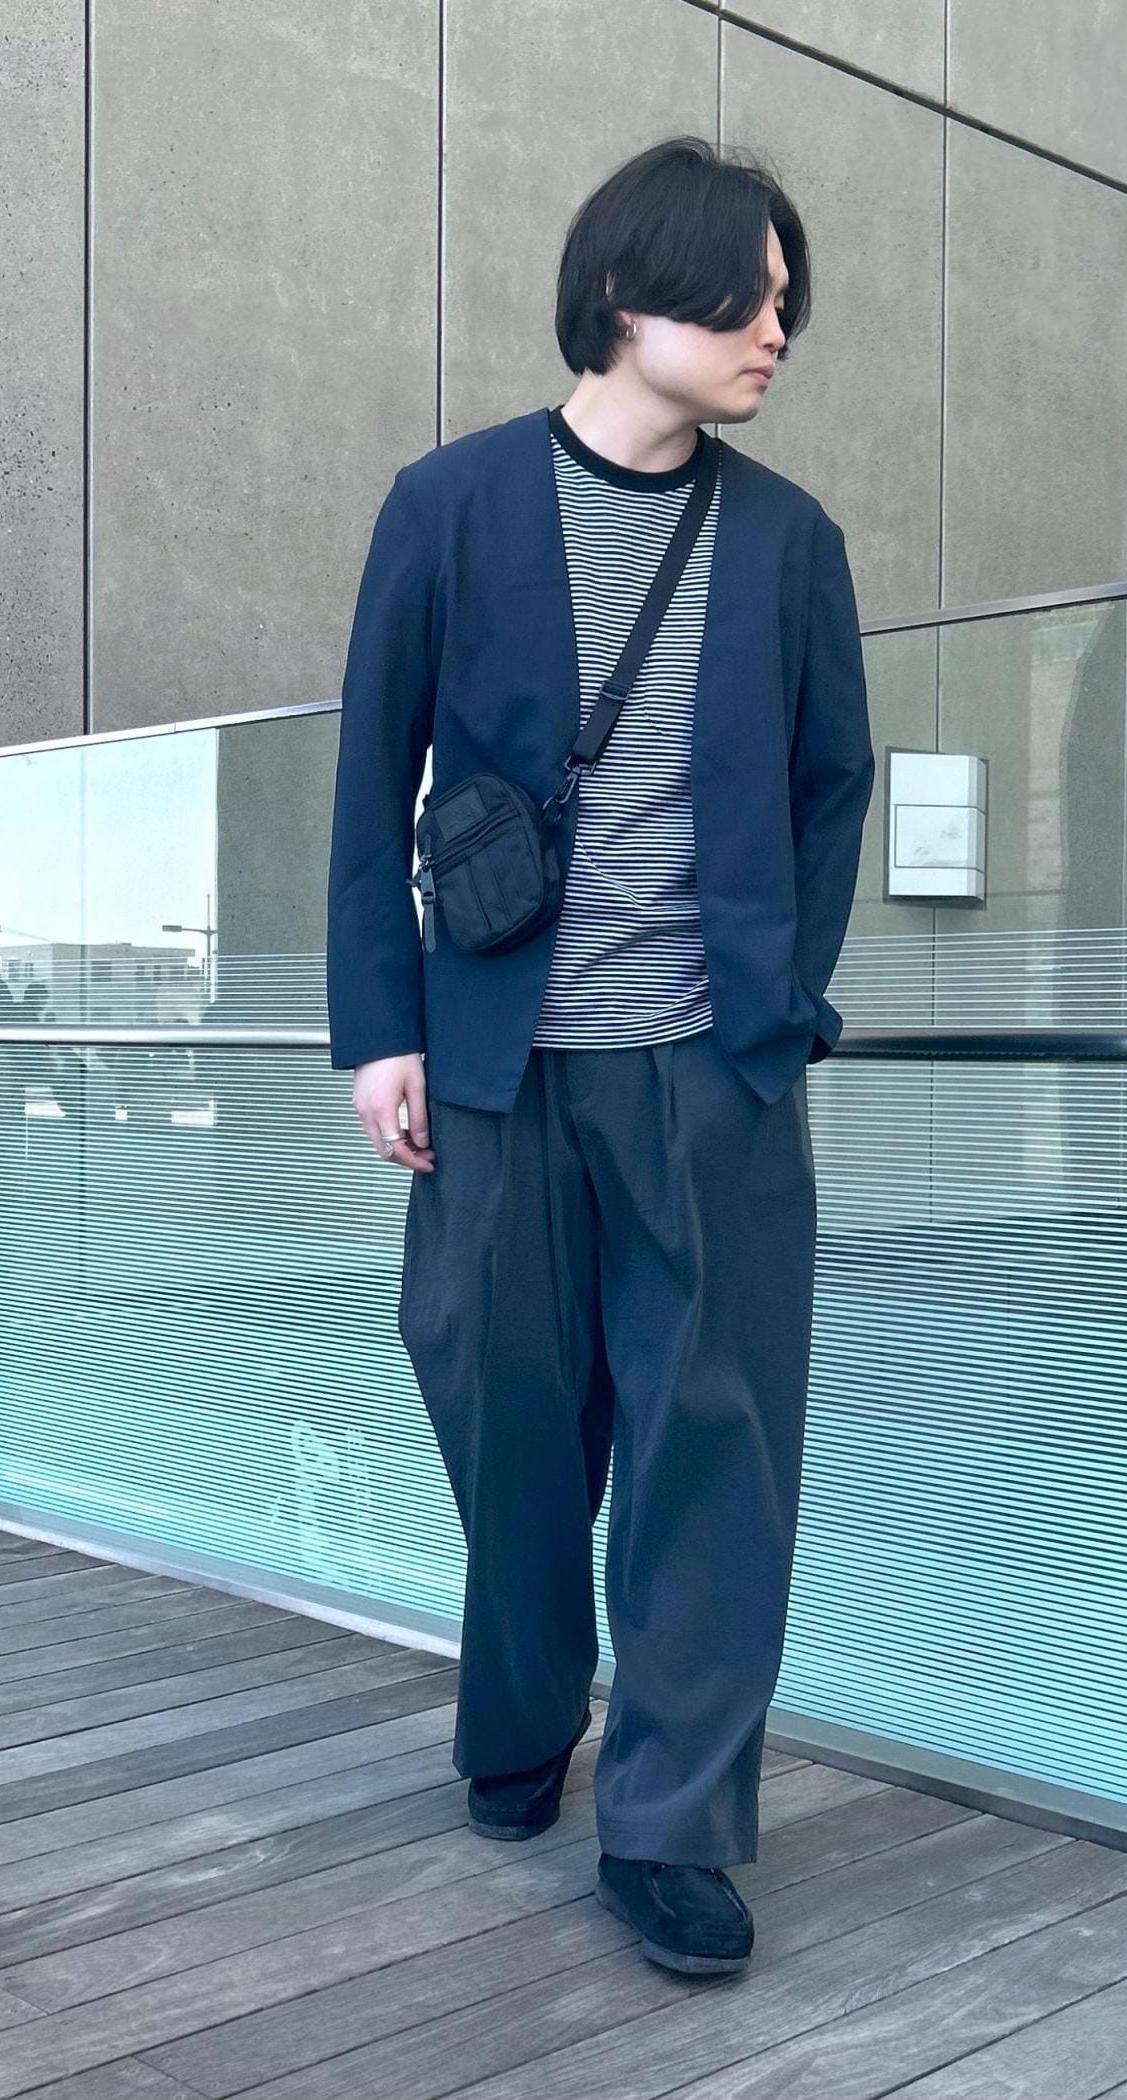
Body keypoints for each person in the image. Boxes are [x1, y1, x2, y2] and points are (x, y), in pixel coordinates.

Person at [325, 135, 874, 1976]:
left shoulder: (791, 543)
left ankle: (671, 1822)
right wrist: (377, 1031)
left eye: (789, 305)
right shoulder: (451, 505)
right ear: (634, 292)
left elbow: (830, 790)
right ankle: (519, 1709)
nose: (777, 332)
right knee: (500, 1406)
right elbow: (367, 785)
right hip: (495, 1066)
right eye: (752, 298)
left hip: (708, 1073)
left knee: (717, 1445)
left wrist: (774, 1014)